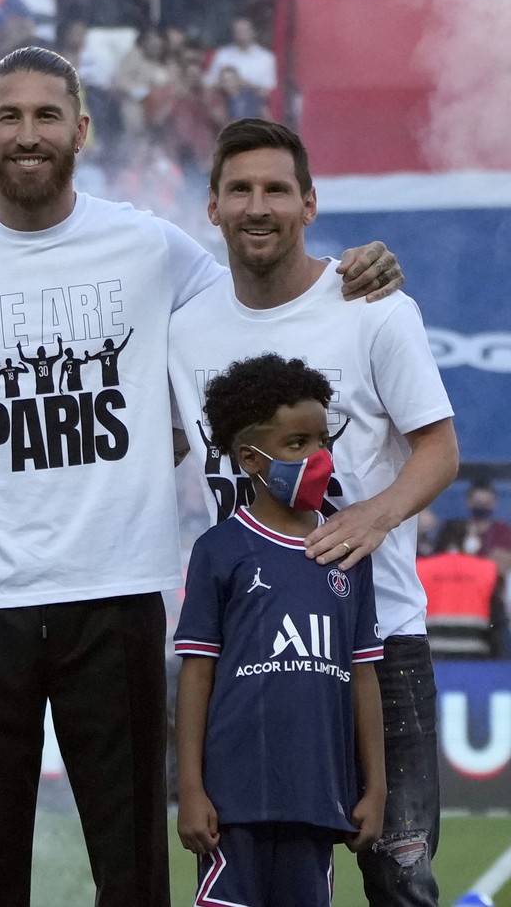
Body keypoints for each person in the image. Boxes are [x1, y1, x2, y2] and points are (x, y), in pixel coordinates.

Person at [0, 47, 400, 906]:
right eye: (11, 116)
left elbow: (260, 294)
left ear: (82, 129)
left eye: (48, 116)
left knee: (133, 865)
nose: (29, 133)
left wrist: (355, 269)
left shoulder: (151, 247)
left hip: (114, 591)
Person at [166, 118, 458, 905]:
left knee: (399, 874)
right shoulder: (185, 331)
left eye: (275, 190)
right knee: (259, 876)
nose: (257, 207)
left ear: (309, 203)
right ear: (213, 208)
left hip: (376, 640)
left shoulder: (375, 308)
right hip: (247, 652)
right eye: (240, 190)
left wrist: (374, 516)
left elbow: (440, 447)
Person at [174, 353, 386, 904]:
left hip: (319, 799)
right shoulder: (219, 550)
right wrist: (191, 788)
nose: (318, 457)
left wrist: (376, 786)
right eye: (298, 444)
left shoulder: (349, 550)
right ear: (250, 458)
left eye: (323, 440)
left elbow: (362, 675)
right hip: (233, 804)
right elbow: (197, 674)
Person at [418, 519, 501, 658]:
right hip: (476, 653)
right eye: (473, 535)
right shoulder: (487, 569)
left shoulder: (420, 567)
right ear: (463, 537)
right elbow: (497, 619)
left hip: (431, 652)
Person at [453, 481, 511, 577]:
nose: (482, 507)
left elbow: (504, 563)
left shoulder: (504, 531)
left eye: (486, 503)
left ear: (494, 503)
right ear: (468, 502)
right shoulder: (456, 530)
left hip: (494, 581)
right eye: (478, 503)